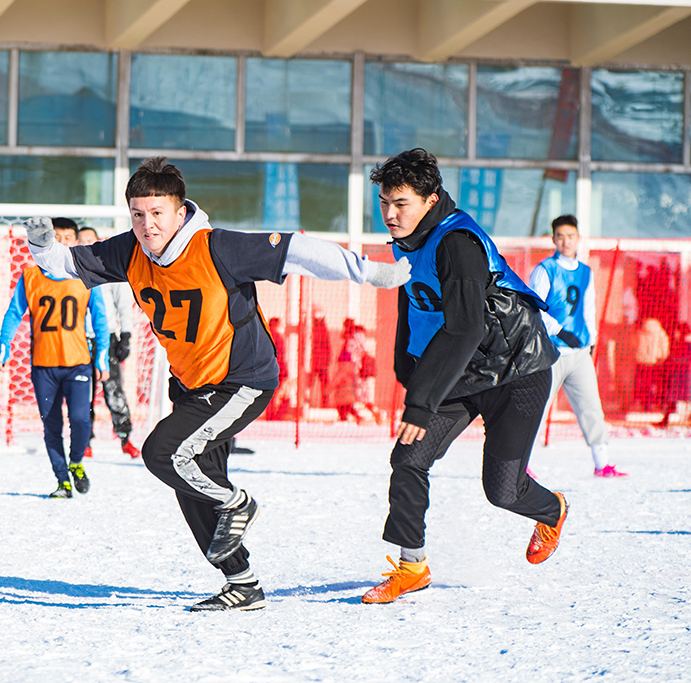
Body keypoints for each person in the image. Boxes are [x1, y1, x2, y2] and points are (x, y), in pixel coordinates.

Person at [24, 156, 410, 611]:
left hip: (242, 381)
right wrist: (41, 242)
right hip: (191, 387)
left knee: (162, 454)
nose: (147, 225)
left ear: (180, 210)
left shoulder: (216, 247)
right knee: (191, 486)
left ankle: (238, 501)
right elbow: (63, 265)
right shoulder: (129, 250)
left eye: (157, 213)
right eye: (138, 214)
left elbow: (297, 251)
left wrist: (369, 272)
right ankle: (242, 583)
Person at [362, 148, 568, 605]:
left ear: (430, 201)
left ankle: (552, 509)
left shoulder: (457, 243)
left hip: (517, 371)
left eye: (401, 204)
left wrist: (421, 400)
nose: (390, 214)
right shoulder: (407, 241)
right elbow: (411, 301)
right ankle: (411, 566)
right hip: (461, 372)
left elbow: (465, 326)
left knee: (503, 491)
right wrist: (406, 366)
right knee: (408, 460)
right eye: (384, 202)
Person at [0, 223, 109, 498]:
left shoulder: (86, 277)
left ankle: (76, 462)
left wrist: (102, 356)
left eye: (67, 238)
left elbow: (100, 318)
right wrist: (4, 343)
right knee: (51, 425)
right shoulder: (31, 276)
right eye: (55, 238)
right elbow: (14, 312)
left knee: (81, 420)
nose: (61, 242)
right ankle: (62, 481)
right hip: (44, 367)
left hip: (78, 363)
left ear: (74, 242)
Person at [530, 215, 626, 478]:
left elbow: (588, 308)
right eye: (560, 236)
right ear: (553, 239)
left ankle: (602, 463)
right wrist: (560, 331)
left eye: (570, 236)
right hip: (551, 352)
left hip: (580, 352)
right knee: (537, 407)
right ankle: (520, 464)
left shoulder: (586, 271)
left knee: (591, 407)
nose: (565, 241)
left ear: (578, 239)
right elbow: (534, 309)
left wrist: (591, 340)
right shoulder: (545, 269)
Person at [76, 225, 141, 459]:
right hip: (79, 340)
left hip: (108, 339)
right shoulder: (70, 273)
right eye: (80, 240)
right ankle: (85, 440)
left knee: (113, 390)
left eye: (89, 240)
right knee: (83, 393)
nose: (84, 244)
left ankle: (126, 438)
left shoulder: (107, 269)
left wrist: (125, 335)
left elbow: (123, 305)